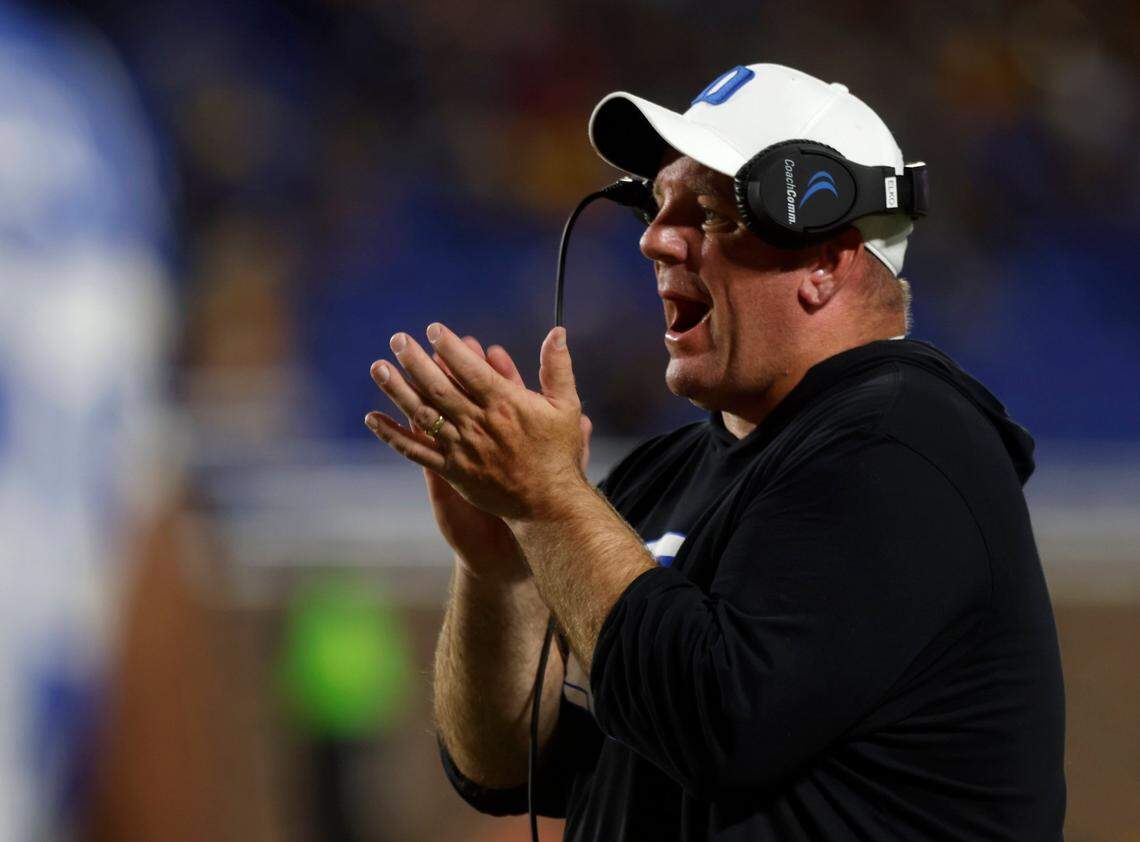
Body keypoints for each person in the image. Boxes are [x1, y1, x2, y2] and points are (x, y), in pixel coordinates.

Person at [364, 63, 1065, 840]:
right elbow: (508, 767)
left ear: (827, 258)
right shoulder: (660, 478)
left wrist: (549, 500)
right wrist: (499, 567)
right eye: (657, 206)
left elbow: (717, 718)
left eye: (710, 214)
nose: (655, 239)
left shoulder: (905, 442)